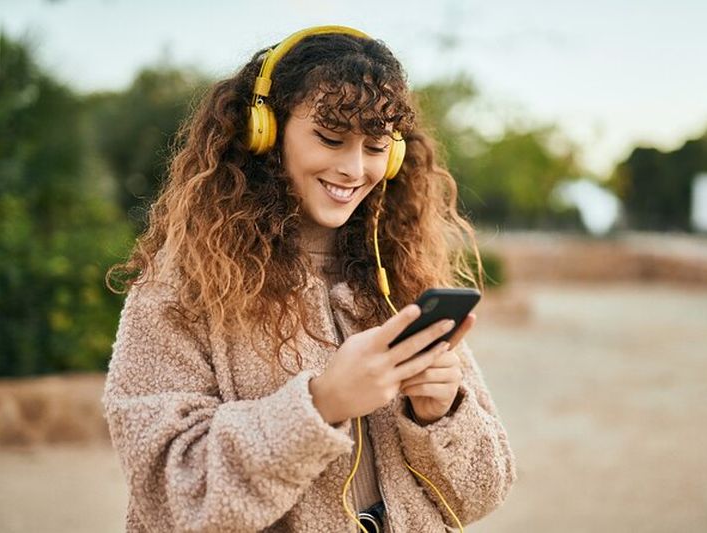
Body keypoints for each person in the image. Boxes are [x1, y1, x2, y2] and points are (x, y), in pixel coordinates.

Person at [103, 25, 515, 533]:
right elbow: (168, 494)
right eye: (330, 138)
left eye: (374, 146)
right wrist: (321, 405)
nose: (353, 168)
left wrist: (441, 412)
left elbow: (485, 489)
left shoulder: (398, 276)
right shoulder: (178, 288)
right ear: (265, 131)